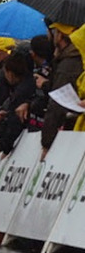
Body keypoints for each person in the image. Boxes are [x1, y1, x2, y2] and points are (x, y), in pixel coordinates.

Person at [41, 22, 82, 158]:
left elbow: (57, 104)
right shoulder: (72, 58)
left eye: (55, 32)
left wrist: (46, 143)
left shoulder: (69, 63)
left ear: (60, 36)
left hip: (75, 134)